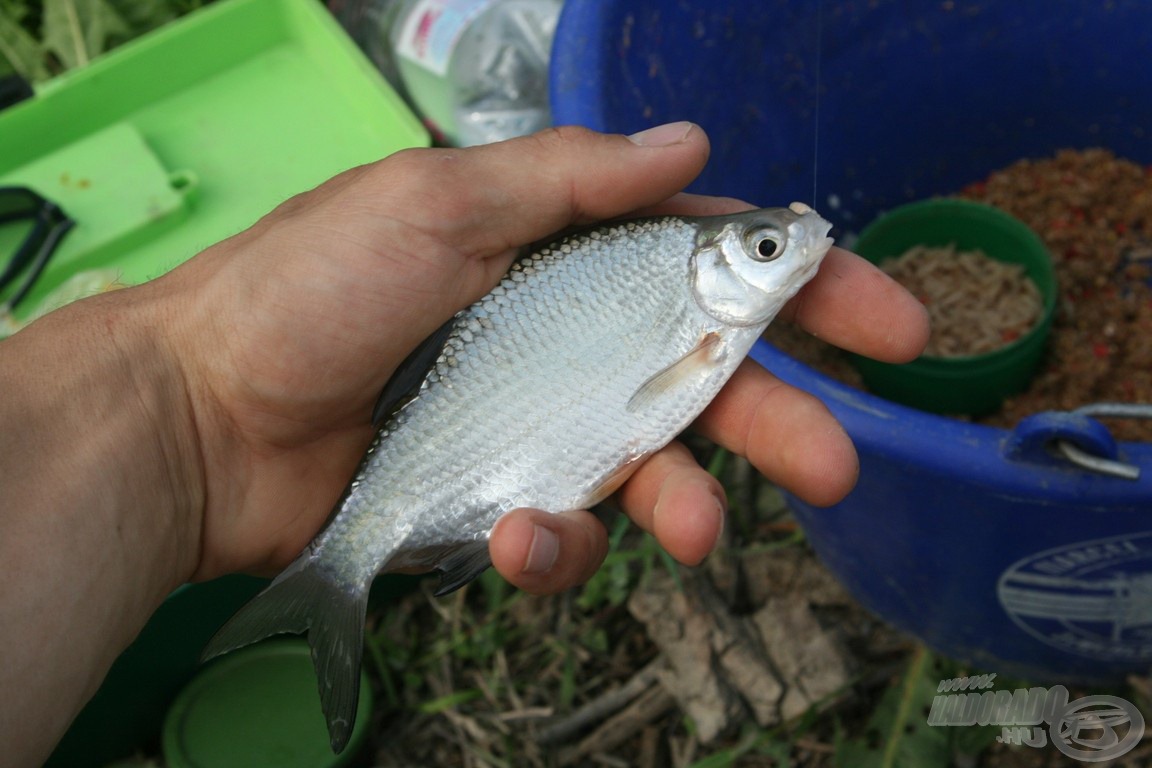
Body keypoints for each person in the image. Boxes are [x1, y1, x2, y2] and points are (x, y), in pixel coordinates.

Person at [0, 123, 928, 765]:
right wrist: (182, 401)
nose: (788, 247)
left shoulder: (683, 291)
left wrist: (179, 409)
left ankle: (340, 579)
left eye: (766, 248)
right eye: (767, 249)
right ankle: (338, 578)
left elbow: (656, 397)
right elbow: (662, 392)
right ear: (720, 267)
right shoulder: (679, 291)